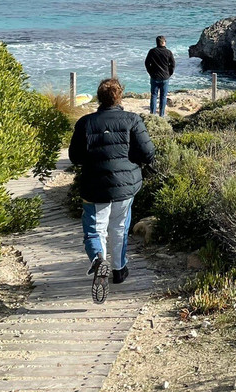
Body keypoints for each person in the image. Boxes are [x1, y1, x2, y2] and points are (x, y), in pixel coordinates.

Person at [69, 77, 155, 303]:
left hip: (94, 186)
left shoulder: (85, 123)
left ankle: (99, 261)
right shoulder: (132, 120)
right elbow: (148, 154)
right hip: (125, 186)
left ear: (99, 98)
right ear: (120, 97)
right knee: (119, 227)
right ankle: (119, 270)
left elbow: (75, 157)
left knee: (95, 230)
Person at [144, 35, 176, 116]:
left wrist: (150, 72)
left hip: (154, 76)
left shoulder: (152, 51)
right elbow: (172, 64)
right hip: (165, 77)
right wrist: (169, 74)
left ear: (157, 43)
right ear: (164, 42)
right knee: (163, 96)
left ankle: (152, 114)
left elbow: (147, 63)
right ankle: (161, 115)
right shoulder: (168, 52)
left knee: (154, 96)